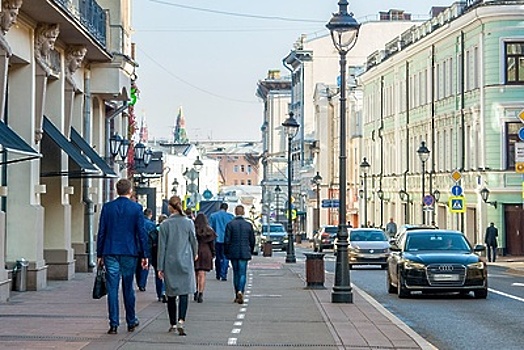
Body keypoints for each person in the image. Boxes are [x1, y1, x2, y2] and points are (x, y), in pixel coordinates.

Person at [96, 179, 149, 335]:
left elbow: (102, 232)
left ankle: (113, 324)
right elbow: (141, 233)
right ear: (130, 190)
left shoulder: (108, 208)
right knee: (128, 287)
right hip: (129, 252)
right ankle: (131, 321)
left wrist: (99, 254)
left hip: (110, 251)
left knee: (112, 289)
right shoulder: (136, 208)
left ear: (116, 190)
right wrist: (144, 254)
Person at [157, 196, 198, 336]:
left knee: (171, 294)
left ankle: (173, 323)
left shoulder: (165, 225)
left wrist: (160, 267)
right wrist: (194, 255)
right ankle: (181, 320)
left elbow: (161, 247)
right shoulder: (188, 223)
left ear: (170, 207)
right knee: (184, 293)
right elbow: (194, 241)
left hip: (169, 262)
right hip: (186, 261)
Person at [224, 205, 255, 305]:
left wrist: (226, 251)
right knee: (242, 273)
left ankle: (237, 293)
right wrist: (251, 249)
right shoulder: (248, 225)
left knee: (236, 273)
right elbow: (252, 240)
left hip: (234, 252)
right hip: (245, 252)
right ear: (243, 212)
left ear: (235, 212)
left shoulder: (230, 224)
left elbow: (227, 240)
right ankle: (241, 291)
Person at [193, 213, 217, 303]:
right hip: (206, 252)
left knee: (195, 273)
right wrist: (213, 253)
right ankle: (201, 293)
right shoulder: (209, 231)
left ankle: (195, 290)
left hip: (195, 251)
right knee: (202, 274)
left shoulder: (193, 229)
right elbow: (212, 244)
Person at [209, 203, 234, 281]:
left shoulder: (213, 216)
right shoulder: (231, 217)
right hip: (227, 240)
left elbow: (210, 228)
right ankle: (224, 274)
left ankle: (218, 273)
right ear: (226, 208)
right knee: (225, 257)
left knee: (218, 257)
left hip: (217, 239)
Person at [135, 208, 156, 292]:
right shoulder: (151, 225)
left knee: (137, 267)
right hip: (147, 247)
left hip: (137, 247)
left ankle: (139, 282)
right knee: (145, 265)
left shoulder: (138, 223)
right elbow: (154, 237)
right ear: (150, 214)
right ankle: (142, 284)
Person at [151, 214, 168, 302]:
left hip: (155, 256)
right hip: (166, 255)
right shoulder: (168, 230)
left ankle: (159, 294)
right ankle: (165, 291)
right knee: (167, 275)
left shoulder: (154, 231)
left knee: (158, 275)